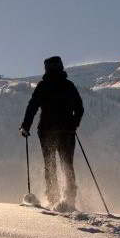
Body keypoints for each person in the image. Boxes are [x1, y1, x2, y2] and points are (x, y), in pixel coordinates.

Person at [20, 56, 84, 211]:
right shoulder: (69, 86)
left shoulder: (43, 86)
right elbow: (80, 108)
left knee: (50, 165)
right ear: (61, 67)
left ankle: (53, 198)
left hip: (46, 131)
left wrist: (25, 126)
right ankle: (69, 200)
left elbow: (32, 107)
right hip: (67, 132)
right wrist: (73, 124)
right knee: (67, 164)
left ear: (46, 69)